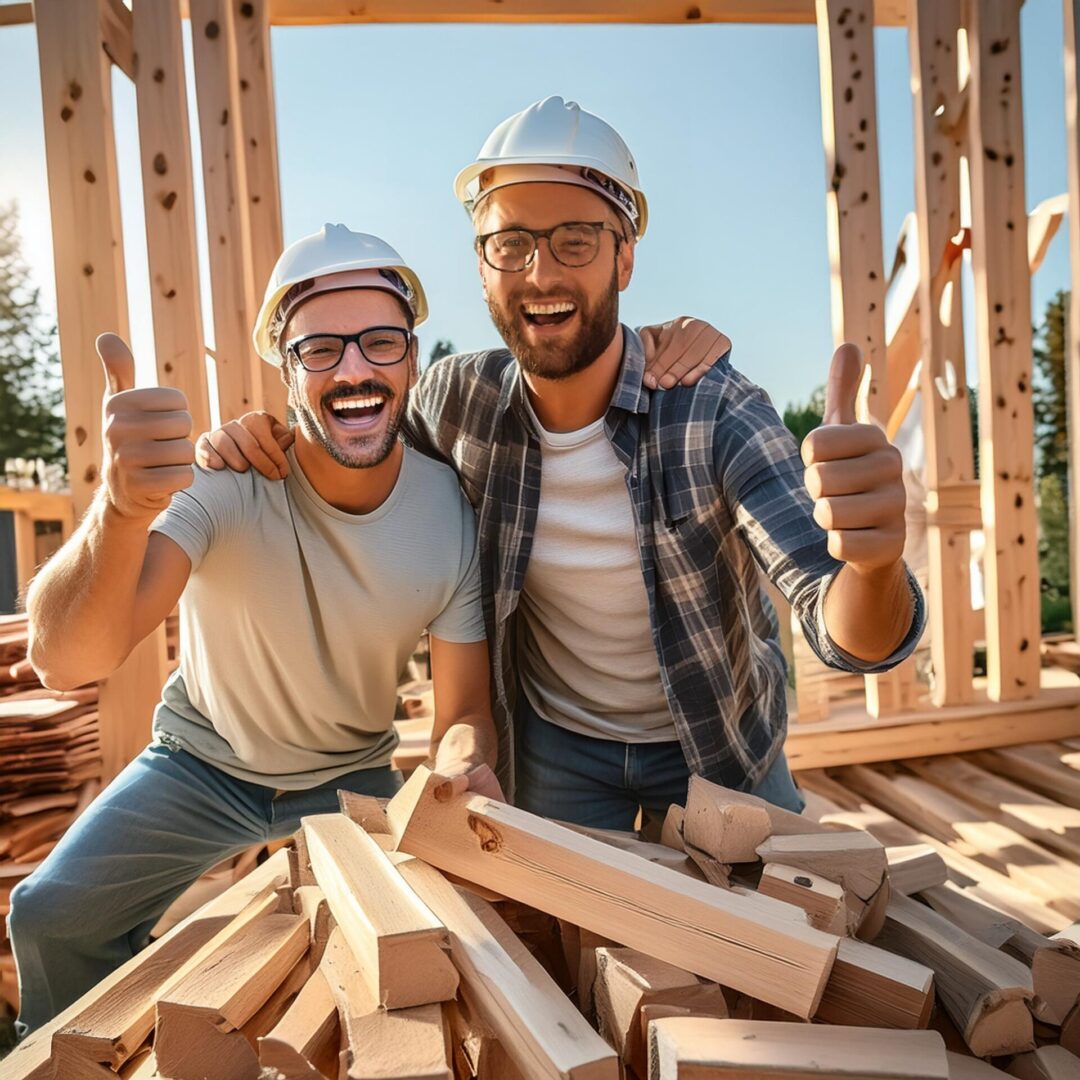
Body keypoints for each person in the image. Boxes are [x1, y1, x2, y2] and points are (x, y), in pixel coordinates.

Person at [199, 97, 924, 831]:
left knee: (772, 934)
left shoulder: (714, 411)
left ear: (626, 257)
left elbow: (852, 637)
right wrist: (261, 437)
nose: (539, 272)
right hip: (556, 748)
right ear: (480, 268)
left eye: (576, 240)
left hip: (720, 741)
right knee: (557, 943)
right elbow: (353, 452)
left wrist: (872, 567)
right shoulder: (456, 404)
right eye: (509, 243)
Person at [10, 231, 498, 1034]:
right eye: (319, 349)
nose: (353, 369)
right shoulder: (230, 483)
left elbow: (464, 713)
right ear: (284, 365)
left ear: (410, 359)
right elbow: (65, 660)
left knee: (417, 953)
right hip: (200, 765)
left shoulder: (447, 514)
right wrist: (122, 507)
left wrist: (461, 769)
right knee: (51, 917)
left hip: (351, 777)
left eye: (380, 342)